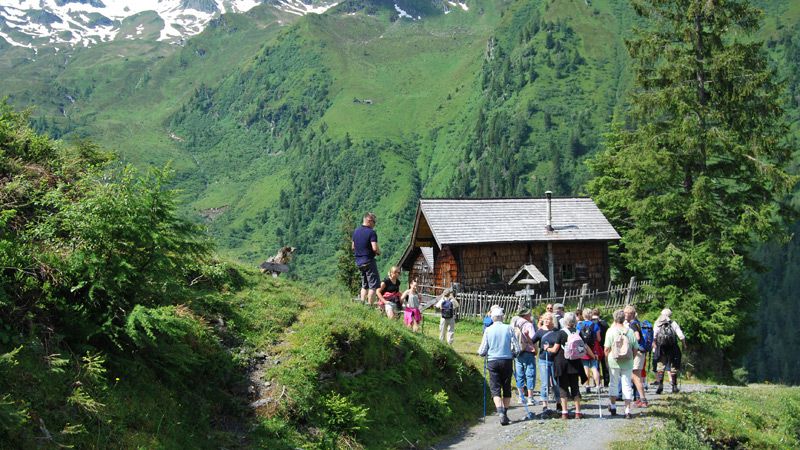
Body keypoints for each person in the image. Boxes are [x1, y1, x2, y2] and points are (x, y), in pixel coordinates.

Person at [478, 307, 520, 426]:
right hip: (506, 360)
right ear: (502, 317)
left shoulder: (488, 330)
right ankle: (505, 414)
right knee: (506, 387)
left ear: (492, 318)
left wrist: (484, 353)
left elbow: (482, 350)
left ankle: (500, 412)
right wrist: (514, 354)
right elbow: (517, 348)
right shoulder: (509, 328)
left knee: (495, 389)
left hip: (493, 361)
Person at [551, 312, 591, 419]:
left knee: (563, 388)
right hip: (575, 363)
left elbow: (555, 349)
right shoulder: (578, 332)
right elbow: (585, 346)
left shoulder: (561, 333)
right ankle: (578, 412)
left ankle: (565, 412)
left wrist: (547, 348)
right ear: (575, 321)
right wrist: (593, 356)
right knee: (575, 388)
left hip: (562, 364)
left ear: (565, 321)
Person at [604, 309, 637, 418]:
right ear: (624, 319)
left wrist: (606, 359)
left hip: (614, 360)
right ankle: (627, 410)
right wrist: (632, 357)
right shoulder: (630, 331)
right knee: (627, 384)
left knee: (613, 383)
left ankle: (613, 406)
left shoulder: (610, 331)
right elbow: (635, 348)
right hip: (627, 361)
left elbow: (606, 348)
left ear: (614, 318)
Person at [531, 312, 560, 415]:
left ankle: (559, 402)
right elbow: (532, 341)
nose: (547, 321)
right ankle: (545, 405)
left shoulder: (557, 331)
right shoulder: (540, 332)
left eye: (549, 319)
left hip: (555, 360)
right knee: (545, 383)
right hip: (543, 359)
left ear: (552, 320)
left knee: (556, 383)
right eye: (545, 319)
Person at [653, 308, 686, 394]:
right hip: (672, 347)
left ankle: (660, 385)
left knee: (660, 366)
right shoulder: (673, 323)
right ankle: (674, 387)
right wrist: (684, 345)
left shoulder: (657, 323)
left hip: (661, 348)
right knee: (673, 367)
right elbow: (681, 336)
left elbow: (654, 336)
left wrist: (654, 345)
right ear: (670, 315)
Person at [352, 212, 381, 306]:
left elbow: (353, 247)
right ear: (369, 221)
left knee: (364, 285)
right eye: (374, 222)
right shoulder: (372, 232)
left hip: (359, 262)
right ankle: (370, 307)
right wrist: (378, 252)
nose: (374, 224)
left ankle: (362, 304)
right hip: (369, 261)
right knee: (373, 286)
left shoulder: (356, 231)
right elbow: (374, 248)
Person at [624, 305, 649, 407]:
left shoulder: (633, 324)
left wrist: (628, 342)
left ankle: (643, 400)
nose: (625, 315)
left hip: (637, 352)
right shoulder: (637, 323)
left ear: (631, 314)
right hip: (641, 352)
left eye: (627, 313)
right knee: (636, 376)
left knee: (635, 376)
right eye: (625, 313)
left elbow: (637, 337)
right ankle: (641, 399)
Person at [512, 309, 537, 407]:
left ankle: (521, 397)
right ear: (526, 315)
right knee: (530, 374)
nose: (530, 315)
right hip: (528, 352)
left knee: (520, 374)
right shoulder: (528, 325)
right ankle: (530, 398)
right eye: (529, 314)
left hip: (518, 352)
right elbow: (533, 339)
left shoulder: (514, 323)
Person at [577, 307, 602, 393]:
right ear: (591, 315)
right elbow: (598, 339)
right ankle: (598, 386)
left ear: (583, 315)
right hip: (593, 348)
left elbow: (577, 337)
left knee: (585, 368)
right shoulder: (595, 325)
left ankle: (587, 386)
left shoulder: (579, 325)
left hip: (583, 348)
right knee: (594, 368)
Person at [592, 308, 610, 387]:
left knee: (596, 365)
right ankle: (606, 382)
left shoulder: (591, 324)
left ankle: (597, 382)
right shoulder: (605, 324)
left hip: (595, 346)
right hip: (604, 345)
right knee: (605, 364)